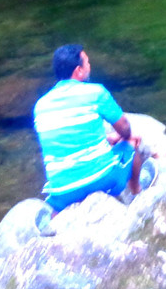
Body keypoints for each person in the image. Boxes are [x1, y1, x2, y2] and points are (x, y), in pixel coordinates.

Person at [33, 44, 145, 213]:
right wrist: (124, 137)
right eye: (87, 62)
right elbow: (125, 127)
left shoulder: (40, 105)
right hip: (102, 181)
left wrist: (108, 139)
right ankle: (138, 193)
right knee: (131, 144)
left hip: (61, 193)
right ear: (78, 71)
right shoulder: (95, 92)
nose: (89, 66)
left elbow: (65, 138)